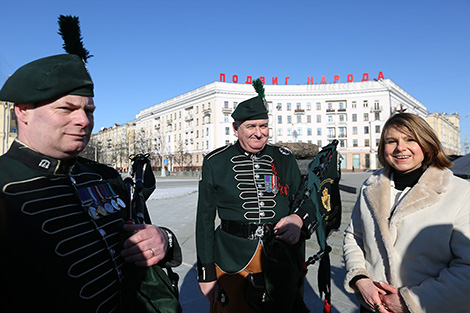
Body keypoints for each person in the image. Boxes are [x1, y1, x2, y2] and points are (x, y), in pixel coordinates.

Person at [0, 25, 179, 312]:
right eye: (66, 109)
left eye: (90, 110)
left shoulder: (106, 177)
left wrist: (164, 239)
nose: (84, 120)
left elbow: (147, 237)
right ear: (23, 110)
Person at [196, 80, 315, 313]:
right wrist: (206, 273)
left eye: (264, 126)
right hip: (232, 258)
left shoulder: (284, 158)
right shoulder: (215, 162)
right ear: (236, 128)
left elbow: (306, 199)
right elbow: (204, 221)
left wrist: (299, 219)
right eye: (251, 126)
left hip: (279, 258)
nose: (259, 133)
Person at [343, 113, 470, 313]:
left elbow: (467, 267)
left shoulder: (460, 192)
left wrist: (410, 302)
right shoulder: (370, 187)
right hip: (373, 307)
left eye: (410, 139)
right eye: (391, 141)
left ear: (427, 144)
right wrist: (360, 278)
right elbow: (354, 236)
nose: (400, 147)